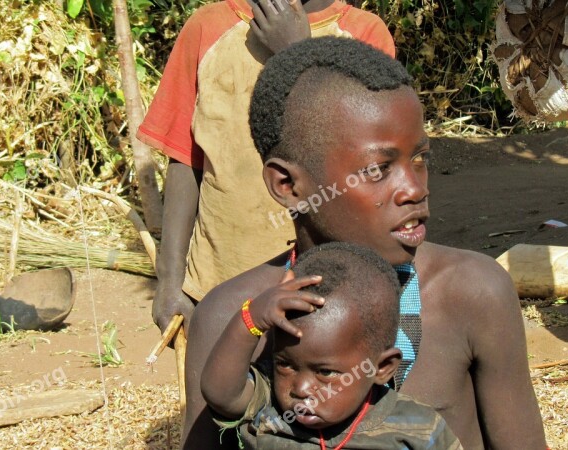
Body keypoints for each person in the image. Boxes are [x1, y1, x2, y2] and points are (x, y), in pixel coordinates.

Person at [184, 37, 547, 449]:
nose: (414, 188)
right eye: (377, 169)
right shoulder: (233, 317)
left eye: (420, 159)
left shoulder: (472, 292)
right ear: (287, 185)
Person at [136, 0, 395, 333]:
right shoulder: (208, 27)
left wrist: (298, 53)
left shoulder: (365, 35)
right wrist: (170, 283)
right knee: (220, 385)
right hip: (216, 295)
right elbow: (185, 159)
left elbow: (370, 166)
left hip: (325, 298)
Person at [202, 242, 463, 449]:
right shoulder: (268, 406)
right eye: (285, 365)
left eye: (325, 372)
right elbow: (220, 393)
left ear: (382, 367)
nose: (301, 389)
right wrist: (251, 319)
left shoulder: (419, 428)